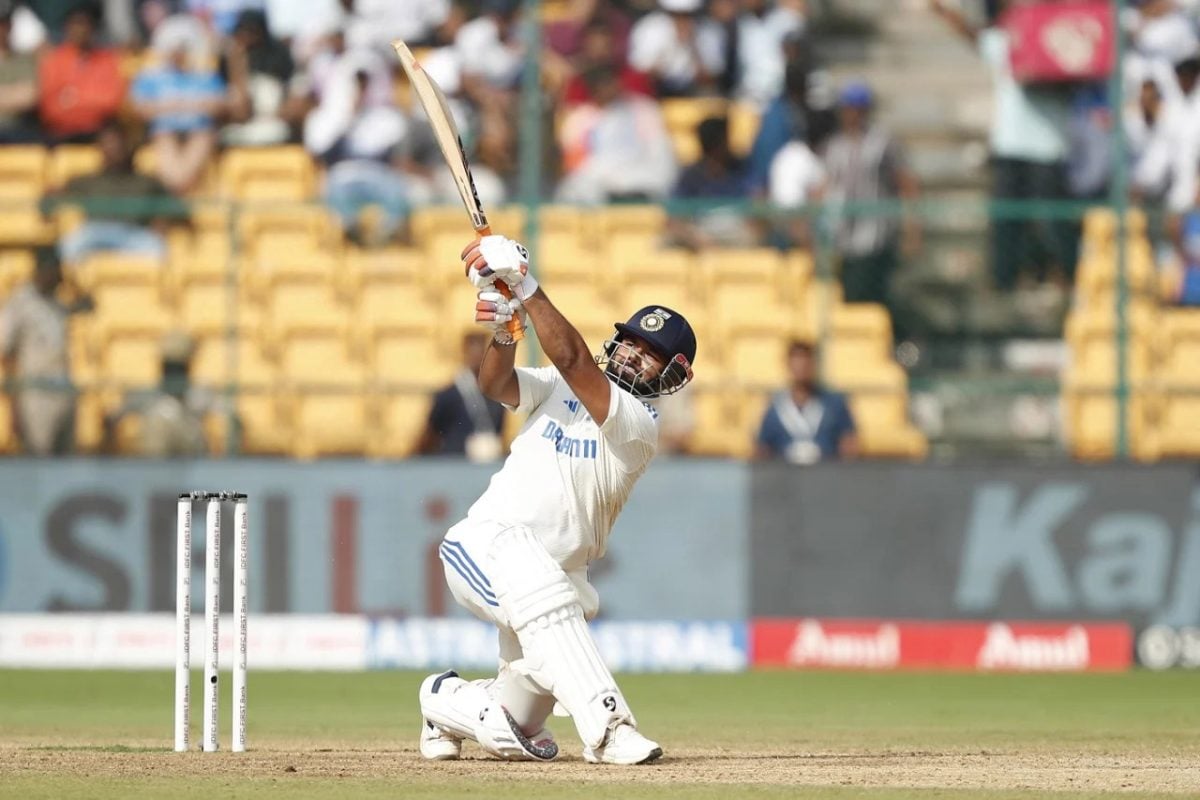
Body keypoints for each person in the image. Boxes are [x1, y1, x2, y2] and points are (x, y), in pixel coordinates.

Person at [417, 234, 697, 765]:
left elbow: (571, 356)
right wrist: (505, 330)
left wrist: (525, 285)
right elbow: (495, 385)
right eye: (632, 342)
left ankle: (441, 699)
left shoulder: (639, 425)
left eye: (652, 354)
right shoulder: (558, 387)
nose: (636, 354)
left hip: (558, 579)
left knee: (513, 728)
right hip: (486, 544)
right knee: (541, 582)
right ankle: (610, 728)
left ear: (673, 375)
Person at [822, 81, 920, 310]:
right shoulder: (835, 145)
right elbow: (826, 186)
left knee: (872, 299)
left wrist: (912, 228)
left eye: (856, 108)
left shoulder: (883, 143)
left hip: (876, 236)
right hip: (843, 237)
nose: (851, 114)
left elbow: (906, 183)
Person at [48, 120, 186, 264]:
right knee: (69, 246)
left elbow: (176, 208)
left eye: (118, 143)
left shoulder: (148, 181)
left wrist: (161, 220)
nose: (114, 148)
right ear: (100, 148)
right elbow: (51, 201)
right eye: (108, 143)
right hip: (94, 232)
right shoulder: (86, 180)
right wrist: (49, 196)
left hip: (134, 234)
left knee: (157, 249)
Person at [0, 247, 93, 456]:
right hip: (36, 394)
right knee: (40, 460)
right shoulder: (20, 302)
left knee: (65, 462)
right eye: (56, 271)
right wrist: (13, 403)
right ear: (42, 270)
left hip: (64, 391)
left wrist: (75, 281)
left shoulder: (57, 303)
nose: (59, 278)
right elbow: (6, 352)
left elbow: (88, 305)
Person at [131, 14, 227, 194]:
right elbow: (140, 109)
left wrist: (172, 106)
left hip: (199, 132)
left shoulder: (205, 76)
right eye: (174, 48)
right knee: (164, 138)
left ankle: (174, 191)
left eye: (183, 48)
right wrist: (190, 105)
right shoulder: (151, 76)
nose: (179, 53)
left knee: (203, 138)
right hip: (164, 132)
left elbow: (218, 106)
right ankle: (178, 188)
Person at [101, 329, 222, 456]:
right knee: (157, 421)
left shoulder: (200, 393)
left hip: (192, 456)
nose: (174, 373)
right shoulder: (146, 394)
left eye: (179, 367)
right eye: (170, 366)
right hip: (154, 462)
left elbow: (231, 417)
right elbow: (113, 418)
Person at [754, 339, 858, 464]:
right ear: (788, 365)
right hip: (786, 478)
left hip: (826, 476)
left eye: (806, 361)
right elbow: (762, 449)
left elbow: (849, 445)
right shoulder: (775, 408)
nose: (801, 367)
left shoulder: (835, 404)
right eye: (797, 361)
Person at [37, 1, 126, 143]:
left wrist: (73, 98)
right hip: (61, 131)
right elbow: (50, 107)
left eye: (84, 24)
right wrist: (91, 98)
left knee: (114, 141)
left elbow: (112, 100)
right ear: (67, 28)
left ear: (93, 28)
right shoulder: (54, 61)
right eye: (75, 24)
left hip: (98, 129)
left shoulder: (107, 59)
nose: (80, 29)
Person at [414, 331, 506, 462]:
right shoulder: (449, 395)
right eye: (473, 351)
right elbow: (430, 434)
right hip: (454, 464)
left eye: (482, 352)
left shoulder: (497, 395)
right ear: (465, 353)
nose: (478, 357)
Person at [0, 0, 38, 143]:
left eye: (4, 24)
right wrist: (12, 93)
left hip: (17, 132)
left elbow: (29, 97)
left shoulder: (24, 60)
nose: (1, 29)